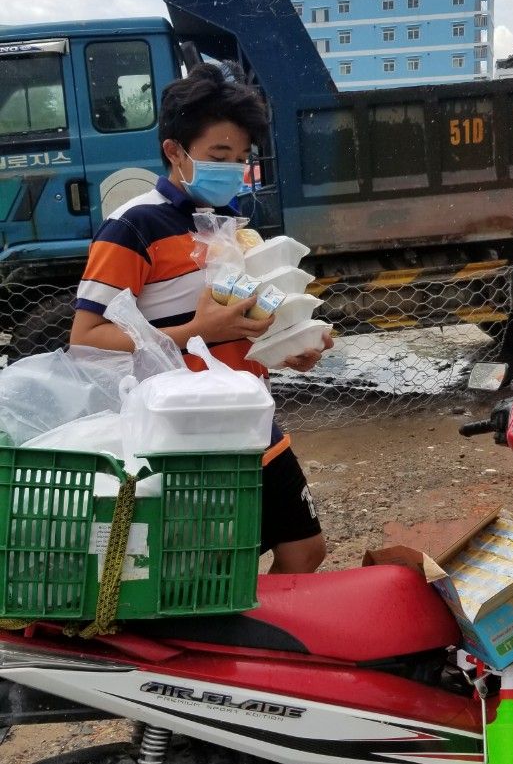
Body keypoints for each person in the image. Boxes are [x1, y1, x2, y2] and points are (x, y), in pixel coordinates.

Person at [71, 63, 330, 573]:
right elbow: (87, 339)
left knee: (304, 550)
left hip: (247, 412)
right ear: (175, 151)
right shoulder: (133, 226)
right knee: (208, 571)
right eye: (218, 156)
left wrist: (289, 348)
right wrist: (196, 332)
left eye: (241, 158)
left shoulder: (231, 225)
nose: (233, 169)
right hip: (183, 431)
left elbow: (239, 324)